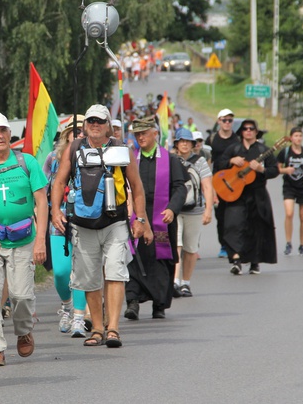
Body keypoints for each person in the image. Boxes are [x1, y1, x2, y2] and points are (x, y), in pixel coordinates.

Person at [50, 104, 153, 348]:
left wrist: (140, 219)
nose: (95, 125)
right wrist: (55, 210)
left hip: (115, 222)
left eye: (100, 121)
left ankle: (113, 328)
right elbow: (59, 181)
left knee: (115, 272)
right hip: (83, 224)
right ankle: (97, 328)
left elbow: (137, 187)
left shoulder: (120, 148)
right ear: (85, 125)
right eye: (91, 121)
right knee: (89, 278)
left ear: (108, 125)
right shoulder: (75, 148)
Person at [0, 112, 48, 367]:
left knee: (20, 295)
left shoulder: (26, 162)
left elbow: (41, 201)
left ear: (9, 133)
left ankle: (23, 330)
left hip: (24, 239)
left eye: (3, 131)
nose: (0, 136)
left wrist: (41, 240)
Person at [123, 117, 186, 320]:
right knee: (133, 258)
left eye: (144, 133)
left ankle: (159, 304)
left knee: (161, 261)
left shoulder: (171, 160)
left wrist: (172, 209)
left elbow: (180, 187)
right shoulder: (130, 159)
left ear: (155, 133)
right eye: (137, 134)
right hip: (136, 216)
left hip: (162, 218)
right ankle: (132, 301)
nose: (140, 137)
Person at [42, 117, 89, 337]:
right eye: (74, 131)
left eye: (82, 131)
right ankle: (67, 306)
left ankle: (79, 318)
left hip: (86, 220)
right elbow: (43, 190)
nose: (78, 135)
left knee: (80, 271)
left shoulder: (91, 155)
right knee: (61, 272)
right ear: (66, 135)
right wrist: (49, 213)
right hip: (59, 220)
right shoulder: (53, 159)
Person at [216, 119, 279, 275]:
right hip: (236, 194)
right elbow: (219, 164)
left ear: (256, 132)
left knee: (256, 227)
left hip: (257, 194)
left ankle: (255, 262)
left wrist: (261, 170)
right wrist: (231, 160)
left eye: (251, 129)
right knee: (233, 225)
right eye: (245, 129)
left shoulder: (264, 151)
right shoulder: (234, 149)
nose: (248, 131)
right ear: (241, 132)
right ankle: (236, 260)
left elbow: (274, 170)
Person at [172, 129, 212, 297]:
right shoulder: (171, 159)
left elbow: (207, 186)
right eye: (181, 141)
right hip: (175, 209)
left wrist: (208, 209)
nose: (184, 144)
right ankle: (174, 281)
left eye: (188, 141)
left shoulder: (200, 161)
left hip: (195, 210)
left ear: (193, 144)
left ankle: (186, 282)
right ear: (176, 143)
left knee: (190, 247)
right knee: (176, 244)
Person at [277, 127, 303, 256]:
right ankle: (288, 242)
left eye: (300, 136)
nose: (298, 138)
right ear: (291, 137)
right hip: (289, 186)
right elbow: (277, 168)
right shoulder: (285, 152)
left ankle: (302, 245)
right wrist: (285, 170)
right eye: (296, 136)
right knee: (289, 213)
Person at [209, 108, 239, 258]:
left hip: (234, 182)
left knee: (234, 215)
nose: (227, 123)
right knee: (220, 216)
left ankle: (233, 244)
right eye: (224, 120)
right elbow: (208, 162)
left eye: (230, 120)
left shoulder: (238, 139)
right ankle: (223, 245)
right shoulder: (213, 139)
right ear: (219, 121)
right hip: (217, 182)